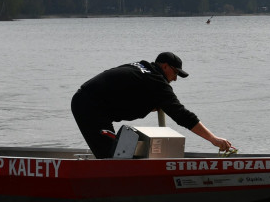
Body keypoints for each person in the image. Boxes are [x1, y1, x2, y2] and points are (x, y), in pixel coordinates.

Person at [71, 51, 235, 158]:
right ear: (165, 66)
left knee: (114, 154)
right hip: (89, 106)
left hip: (90, 103)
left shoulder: (142, 68)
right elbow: (182, 115)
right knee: (110, 157)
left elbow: (126, 93)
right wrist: (213, 139)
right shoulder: (156, 81)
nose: (175, 79)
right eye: (175, 73)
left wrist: (149, 104)